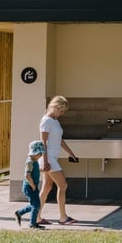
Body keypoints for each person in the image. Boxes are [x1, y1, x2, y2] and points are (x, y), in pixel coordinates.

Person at [37, 95, 79, 225]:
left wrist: (71, 154)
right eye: (61, 110)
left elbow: (60, 140)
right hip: (48, 158)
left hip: (51, 158)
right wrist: (45, 161)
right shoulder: (46, 121)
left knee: (47, 187)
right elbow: (43, 142)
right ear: (55, 107)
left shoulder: (55, 121)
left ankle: (36, 217)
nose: (62, 113)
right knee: (63, 185)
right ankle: (63, 217)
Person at [14, 140, 47, 229]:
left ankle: (19, 213)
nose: (41, 155)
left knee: (36, 205)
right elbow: (27, 176)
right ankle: (32, 224)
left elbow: (33, 171)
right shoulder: (30, 162)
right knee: (35, 205)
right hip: (29, 186)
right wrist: (32, 186)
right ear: (35, 152)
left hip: (33, 186)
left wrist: (41, 170)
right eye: (40, 153)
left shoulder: (34, 161)